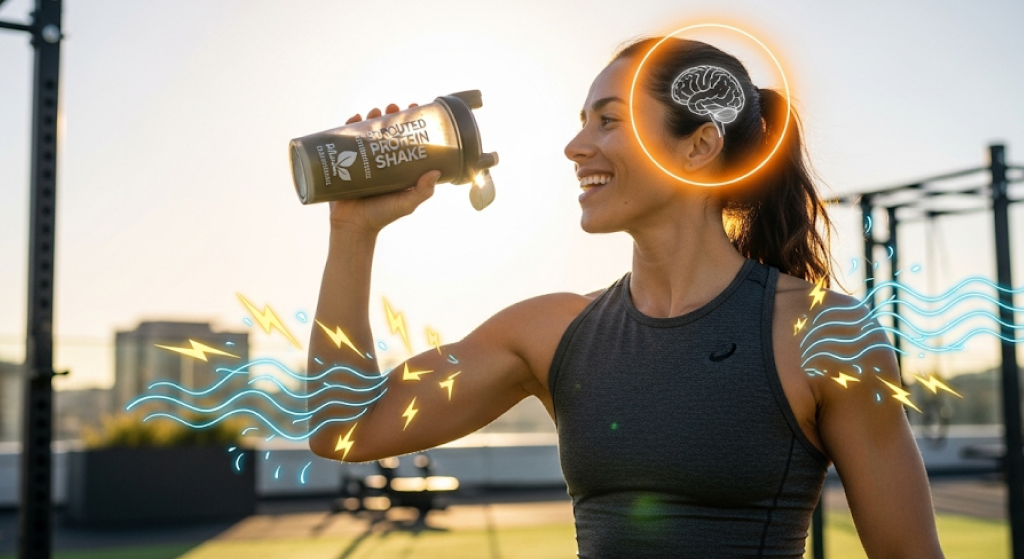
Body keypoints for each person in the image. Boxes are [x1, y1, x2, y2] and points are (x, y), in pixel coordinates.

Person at [306, 36, 945, 558]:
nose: (576, 146)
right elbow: (344, 428)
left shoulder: (822, 333)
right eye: (582, 121)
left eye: (608, 120)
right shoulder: (550, 332)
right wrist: (352, 232)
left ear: (698, 145)